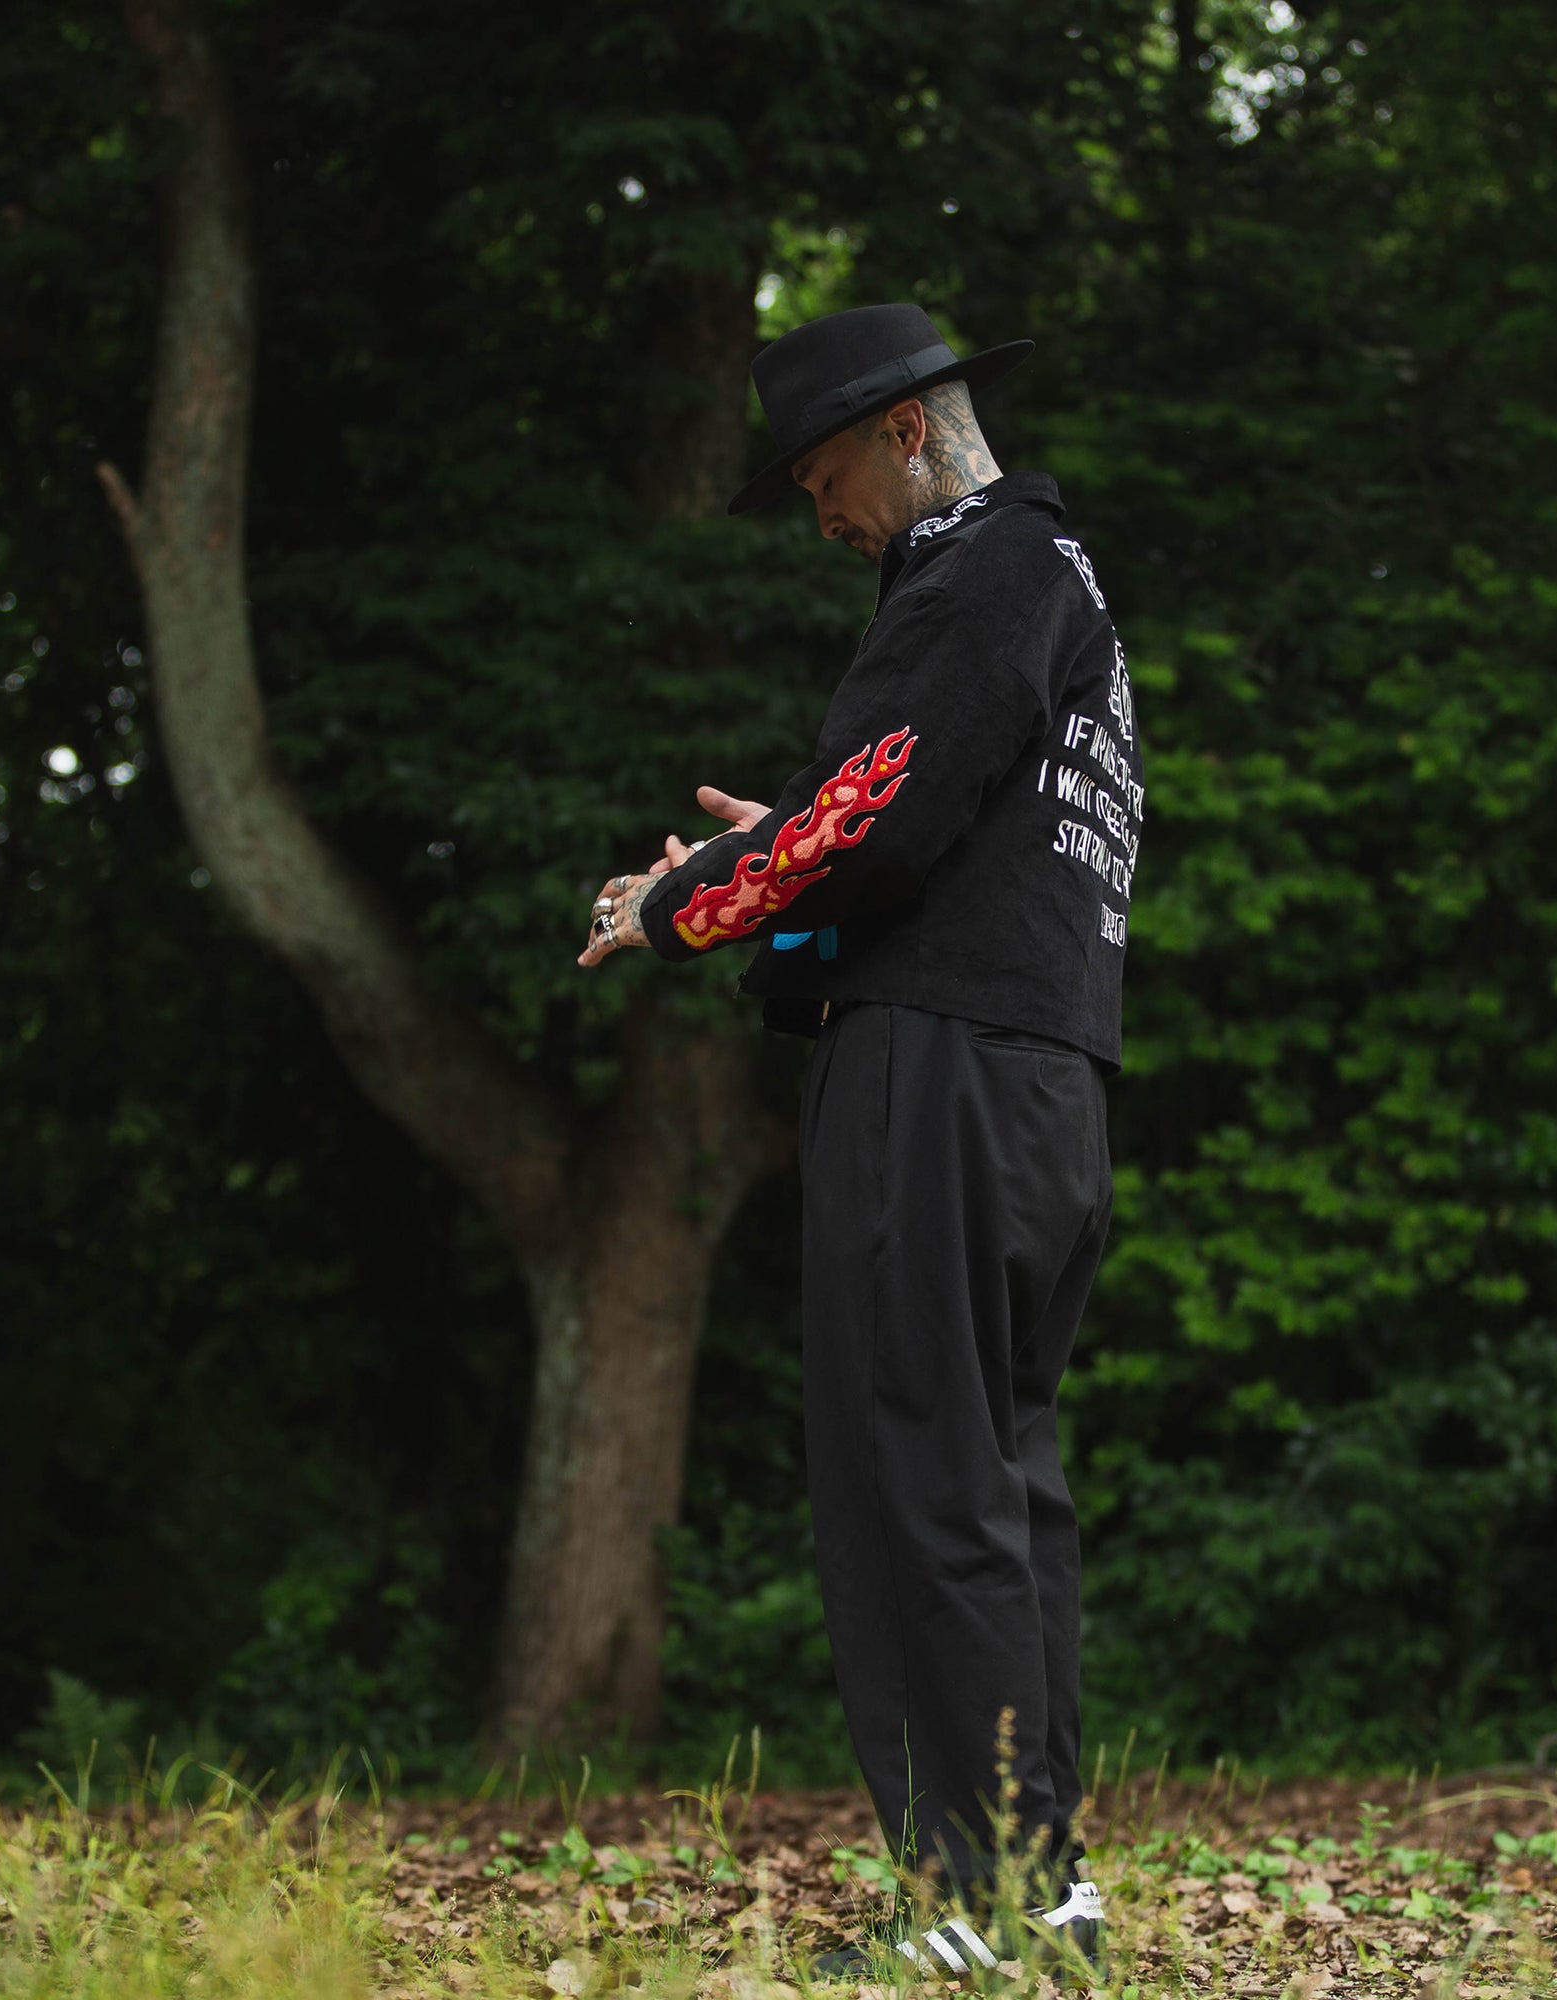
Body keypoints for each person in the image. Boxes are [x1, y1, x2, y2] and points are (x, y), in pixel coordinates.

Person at [578, 303, 1142, 1975]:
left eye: (824, 476)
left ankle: (981, 1908)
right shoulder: (1061, 588)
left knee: (918, 1483)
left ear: (907, 437)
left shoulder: (980, 567)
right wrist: (806, 841)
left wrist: (686, 902)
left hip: (942, 1079)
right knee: (997, 1483)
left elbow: (876, 820)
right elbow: (926, 821)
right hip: (1045, 1086)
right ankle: (1047, 1898)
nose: (820, 517)